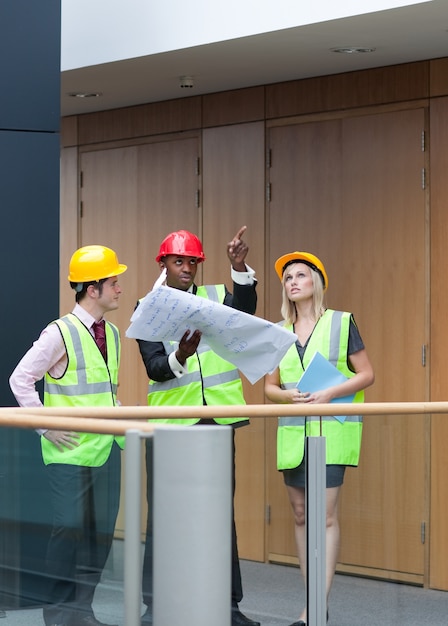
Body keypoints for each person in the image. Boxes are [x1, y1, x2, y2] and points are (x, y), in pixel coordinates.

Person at [136, 227, 261, 626]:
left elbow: (246, 309)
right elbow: (156, 369)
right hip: (171, 425)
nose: (187, 267)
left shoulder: (215, 298)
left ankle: (228, 607)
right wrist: (180, 356)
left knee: (220, 513)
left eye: (192, 261)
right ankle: (156, 606)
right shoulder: (149, 307)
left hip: (217, 420)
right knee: (164, 516)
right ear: (164, 264)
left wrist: (239, 267)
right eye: (178, 261)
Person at [9, 245, 127, 626]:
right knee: (70, 531)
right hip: (70, 453)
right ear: (92, 289)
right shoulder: (60, 332)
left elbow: (106, 391)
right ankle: (59, 615)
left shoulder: (111, 332)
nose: (119, 288)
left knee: (100, 537)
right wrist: (45, 425)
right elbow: (20, 380)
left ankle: (81, 610)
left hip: (107, 449)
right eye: (114, 282)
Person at [264, 251, 374, 626]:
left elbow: (367, 374)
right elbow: (269, 388)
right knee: (299, 515)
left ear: (316, 283)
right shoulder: (278, 332)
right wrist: (287, 396)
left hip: (331, 432)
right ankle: (317, 603)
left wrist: (330, 393)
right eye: (288, 278)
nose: (293, 281)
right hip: (295, 436)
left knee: (324, 518)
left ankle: (312, 611)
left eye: (300, 275)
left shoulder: (342, 323)